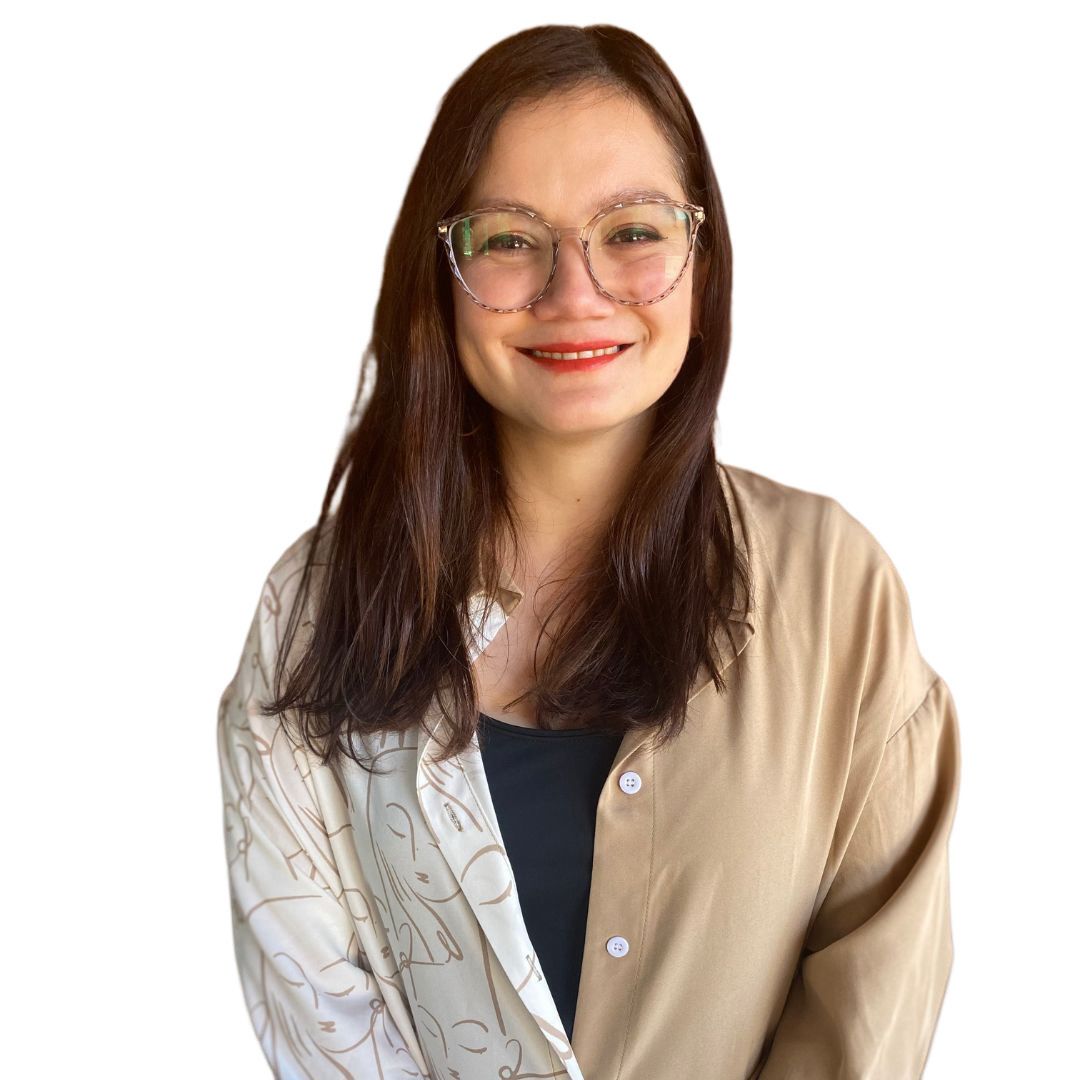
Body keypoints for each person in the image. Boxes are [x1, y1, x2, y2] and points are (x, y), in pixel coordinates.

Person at [216, 23, 960, 1080]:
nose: (574, 292)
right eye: (509, 239)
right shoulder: (314, 608)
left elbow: (870, 1006)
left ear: (703, 263)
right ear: (442, 271)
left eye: (633, 231)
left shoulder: (837, 590)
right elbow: (322, 1023)